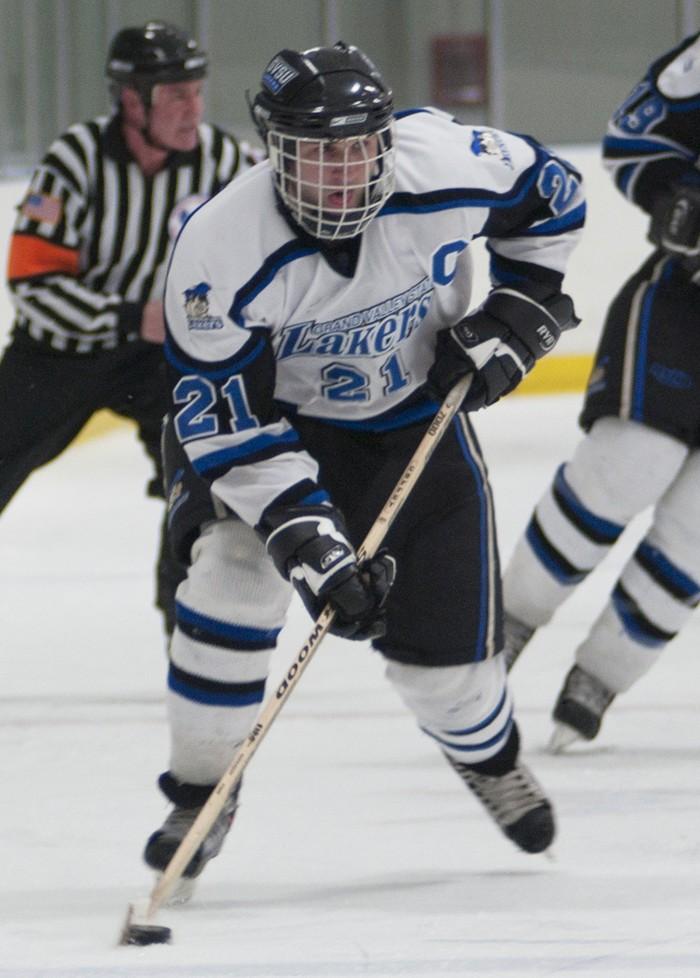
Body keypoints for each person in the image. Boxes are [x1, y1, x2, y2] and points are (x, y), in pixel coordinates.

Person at [141, 41, 585, 895]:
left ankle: (487, 757)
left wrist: (523, 311)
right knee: (230, 578)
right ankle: (199, 797)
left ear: (384, 137)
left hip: (413, 421)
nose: (341, 173)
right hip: (278, 427)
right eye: (316, 152)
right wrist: (308, 541)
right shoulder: (219, 246)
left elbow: (556, 200)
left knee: (451, 675)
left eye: (356, 147)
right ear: (276, 149)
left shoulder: (447, 163)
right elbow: (229, 419)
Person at [0, 20, 256, 635]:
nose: (192, 106)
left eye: (196, 89)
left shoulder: (227, 163)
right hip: (60, 355)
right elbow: (30, 282)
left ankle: (190, 623)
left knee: (201, 475)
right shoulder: (76, 159)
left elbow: (258, 269)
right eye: (175, 94)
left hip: (161, 360)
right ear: (131, 100)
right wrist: (125, 316)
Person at [502, 33, 700, 750]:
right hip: (687, 308)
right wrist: (675, 195)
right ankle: (508, 625)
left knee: (696, 533)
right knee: (627, 467)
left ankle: (600, 679)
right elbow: (634, 134)